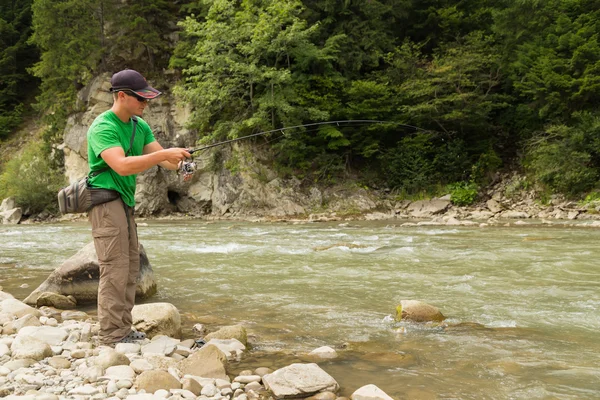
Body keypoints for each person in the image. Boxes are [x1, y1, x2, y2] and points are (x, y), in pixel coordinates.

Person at [86, 69, 190, 345]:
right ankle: (111, 335)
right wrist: (163, 154)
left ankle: (124, 328)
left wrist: (181, 161)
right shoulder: (103, 127)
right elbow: (120, 165)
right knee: (114, 268)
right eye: (141, 99)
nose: (146, 104)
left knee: (131, 266)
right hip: (106, 202)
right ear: (122, 96)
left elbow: (164, 161)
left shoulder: (138, 125)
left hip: (125, 202)